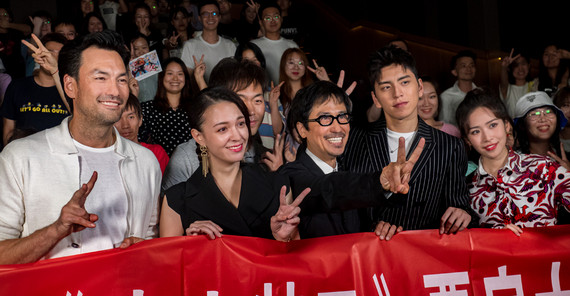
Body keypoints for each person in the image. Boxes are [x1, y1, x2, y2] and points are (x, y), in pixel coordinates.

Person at [0, 30, 161, 264]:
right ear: (70, 86)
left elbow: (150, 237)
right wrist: (55, 230)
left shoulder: (145, 162)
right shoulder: (21, 157)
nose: (115, 91)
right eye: (100, 78)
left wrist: (144, 248)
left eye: (122, 79)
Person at [342, 46, 473, 234]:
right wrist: (373, 226)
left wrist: (463, 213)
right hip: (367, 253)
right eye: (386, 87)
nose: (397, 93)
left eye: (404, 82)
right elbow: (344, 201)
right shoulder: (355, 139)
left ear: (419, 87)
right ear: (376, 98)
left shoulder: (449, 146)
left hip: (422, 254)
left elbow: (458, 206)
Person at [159, 86, 308, 241]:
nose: (237, 136)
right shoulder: (176, 200)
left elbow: (294, 261)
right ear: (199, 136)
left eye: (241, 124)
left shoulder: (279, 186)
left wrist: (283, 240)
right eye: (223, 129)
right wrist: (192, 246)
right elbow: (168, 263)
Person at [281, 80, 424, 239]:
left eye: (342, 116)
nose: (338, 128)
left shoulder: (351, 171)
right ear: (302, 129)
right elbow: (331, 189)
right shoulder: (290, 176)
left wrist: (377, 229)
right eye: (325, 118)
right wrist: (378, 181)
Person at [455, 88, 570, 236]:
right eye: (476, 131)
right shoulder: (467, 189)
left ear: (507, 125)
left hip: (546, 258)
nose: (487, 137)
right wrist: (494, 237)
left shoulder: (544, 168)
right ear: (467, 140)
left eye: (492, 125)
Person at [162, 58, 283, 191]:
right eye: (241, 99)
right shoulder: (186, 159)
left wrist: (278, 177)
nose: (251, 111)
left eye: (258, 100)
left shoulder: (266, 158)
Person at [1, 33, 69, 146]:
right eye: (49, 52)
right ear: (38, 55)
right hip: (24, 156)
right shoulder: (17, 86)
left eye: (60, 54)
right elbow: (8, 132)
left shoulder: (71, 90)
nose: (53, 57)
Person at [139, 57, 193, 156]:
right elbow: (136, 139)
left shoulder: (194, 107)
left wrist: (199, 78)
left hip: (191, 168)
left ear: (186, 78)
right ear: (162, 77)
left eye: (180, 74)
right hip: (160, 167)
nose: (175, 78)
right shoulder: (148, 108)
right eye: (170, 73)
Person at [180, 0, 236, 82]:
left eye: (214, 13)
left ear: (219, 17)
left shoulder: (230, 45)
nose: (210, 17)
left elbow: (235, 77)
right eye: (205, 14)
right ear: (199, 18)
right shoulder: (190, 45)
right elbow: (186, 79)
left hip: (225, 93)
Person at [114, 93, 169, 174]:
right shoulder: (104, 155)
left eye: (131, 117)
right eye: (118, 118)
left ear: (140, 120)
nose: (125, 125)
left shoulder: (156, 153)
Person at [513, 91, 568, 167]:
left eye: (548, 111)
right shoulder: (516, 164)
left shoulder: (564, 157)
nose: (543, 119)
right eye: (534, 114)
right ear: (522, 125)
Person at [251, 2, 298, 85]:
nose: (272, 20)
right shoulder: (253, 46)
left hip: (288, 91)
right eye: (268, 18)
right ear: (261, 22)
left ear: (281, 19)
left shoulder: (292, 45)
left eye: (276, 16)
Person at [439, 50, 477, 126]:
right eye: (463, 66)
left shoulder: (481, 92)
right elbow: (444, 124)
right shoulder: (446, 96)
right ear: (454, 72)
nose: (468, 69)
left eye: (471, 65)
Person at [499, 49, 537, 118]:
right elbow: (503, 82)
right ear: (511, 69)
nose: (520, 68)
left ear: (528, 66)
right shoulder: (507, 89)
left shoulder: (535, 85)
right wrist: (504, 67)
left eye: (523, 64)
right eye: (516, 65)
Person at [129, 33, 158, 103]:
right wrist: (130, 66)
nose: (141, 52)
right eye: (136, 49)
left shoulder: (156, 66)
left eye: (144, 48)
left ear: (149, 47)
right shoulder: (127, 68)